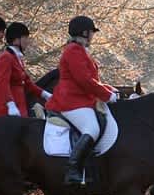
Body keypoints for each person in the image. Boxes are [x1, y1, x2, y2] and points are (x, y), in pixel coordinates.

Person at [46, 16, 118, 185]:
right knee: (91, 128)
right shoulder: (73, 51)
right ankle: (73, 169)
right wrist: (106, 96)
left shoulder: (79, 50)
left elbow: (91, 80)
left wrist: (108, 89)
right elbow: (83, 80)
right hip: (71, 101)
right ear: (85, 32)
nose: (93, 36)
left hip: (80, 98)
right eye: (91, 32)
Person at [0, 22, 51, 120]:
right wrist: (10, 104)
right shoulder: (6, 57)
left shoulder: (17, 58)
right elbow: (3, 84)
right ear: (16, 40)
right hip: (4, 109)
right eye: (25, 38)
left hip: (19, 105)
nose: (28, 42)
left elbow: (28, 83)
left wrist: (46, 95)